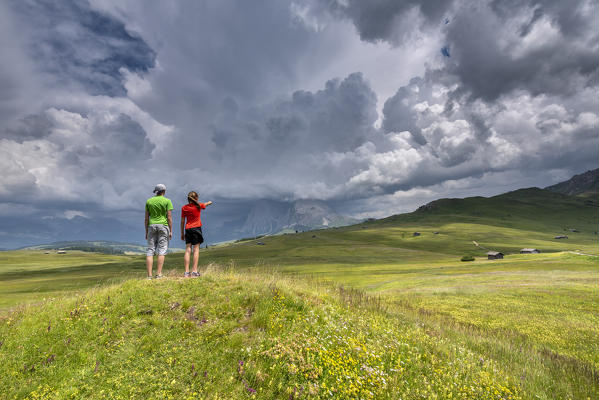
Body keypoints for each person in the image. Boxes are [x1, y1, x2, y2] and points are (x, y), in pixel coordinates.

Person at [180, 191, 212, 277]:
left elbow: (182, 221)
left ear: (188, 199)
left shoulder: (184, 208)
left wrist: (182, 233)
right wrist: (209, 202)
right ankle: (194, 271)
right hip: (196, 229)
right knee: (196, 250)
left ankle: (186, 272)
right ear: (196, 198)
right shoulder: (198, 206)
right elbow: (205, 204)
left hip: (187, 229)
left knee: (188, 250)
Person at [145, 184, 173, 279]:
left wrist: (146, 231)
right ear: (164, 191)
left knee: (150, 250)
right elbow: (169, 217)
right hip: (163, 226)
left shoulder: (149, 201)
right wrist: (171, 230)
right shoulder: (167, 201)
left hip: (151, 226)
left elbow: (146, 218)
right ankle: (159, 274)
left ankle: (149, 276)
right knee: (161, 250)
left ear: (156, 192)